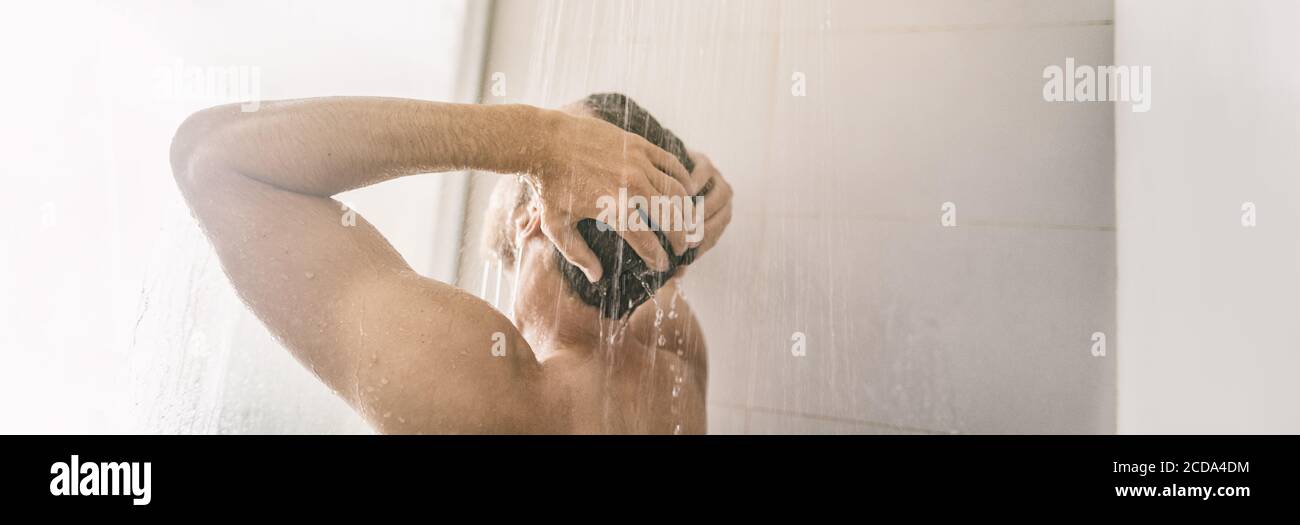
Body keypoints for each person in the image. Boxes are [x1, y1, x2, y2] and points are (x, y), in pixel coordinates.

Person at [169, 94, 734, 434]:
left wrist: (536, 138)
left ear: (537, 214)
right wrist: (681, 199)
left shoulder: (490, 391)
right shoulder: (673, 366)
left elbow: (210, 157)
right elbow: (653, 257)